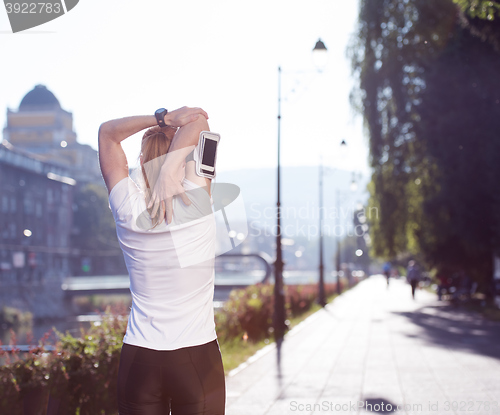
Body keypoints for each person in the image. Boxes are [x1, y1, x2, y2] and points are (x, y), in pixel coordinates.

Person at [98, 106, 225, 415]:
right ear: (185, 158)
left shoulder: (126, 205)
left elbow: (107, 134)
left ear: (141, 162)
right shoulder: (198, 196)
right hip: (197, 358)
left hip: (140, 359)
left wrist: (162, 119)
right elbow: (200, 120)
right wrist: (171, 168)